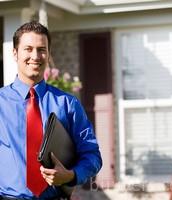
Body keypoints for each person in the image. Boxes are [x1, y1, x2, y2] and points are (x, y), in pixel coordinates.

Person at [0, 21, 102, 199]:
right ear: (15, 53)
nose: (36, 56)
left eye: (42, 49)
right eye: (28, 49)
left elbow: (92, 155)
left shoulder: (67, 104)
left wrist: (70, 175)